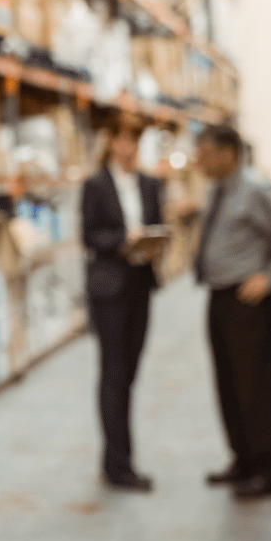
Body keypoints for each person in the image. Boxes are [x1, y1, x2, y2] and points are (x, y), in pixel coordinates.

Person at [193, 124, 271, 500]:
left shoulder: (255, 189)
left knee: (254, 387)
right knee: (228, 383)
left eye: (206, 153)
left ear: (230, 153)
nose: (199, 161)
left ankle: (267, 470)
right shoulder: (219, 190)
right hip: (220, 298)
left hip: (248, 301)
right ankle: (242, 459)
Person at [81, 114, 165, 492]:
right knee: (114, 375)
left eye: (134, 140)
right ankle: (120, 465)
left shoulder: (149, 184)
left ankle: (113, 459)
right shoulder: (96, 185)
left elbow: (159, 223)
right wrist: (121, 239)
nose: (128, 147)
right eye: (122, 139)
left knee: (129, 373)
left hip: (140, 284)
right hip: (110, 287)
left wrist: (152, 240)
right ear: (111, 142)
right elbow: (89, 235)